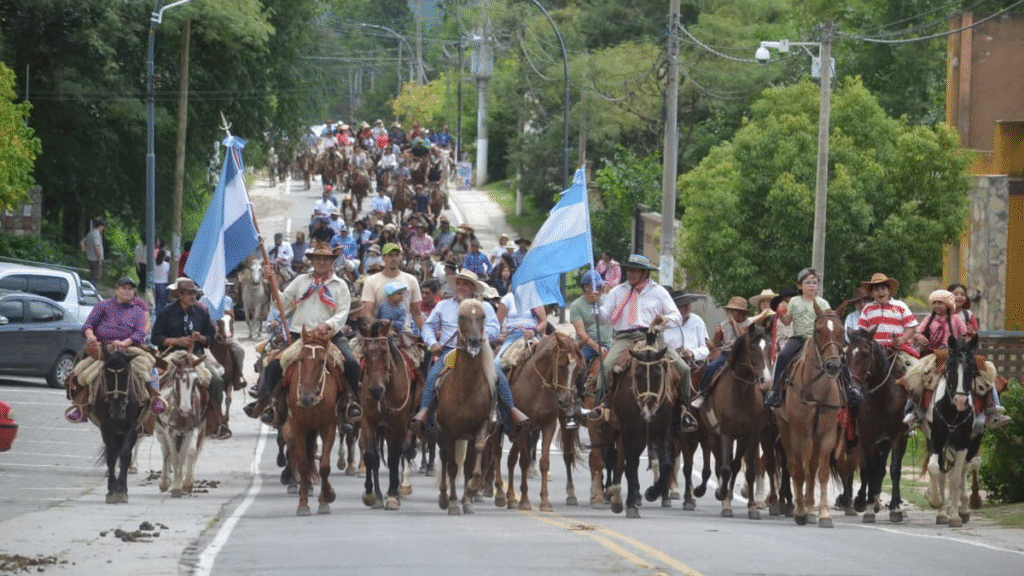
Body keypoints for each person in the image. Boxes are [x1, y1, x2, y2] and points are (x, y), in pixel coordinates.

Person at [243, 240, 362, 430]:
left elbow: (342, 313)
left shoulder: (340, 285)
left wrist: (327, 325)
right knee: (273, 364)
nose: (321, 262)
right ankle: (269, 403)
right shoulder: (300, 281)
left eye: (326, 259)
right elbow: (284, 304)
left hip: (329, 337)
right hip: (300, 336)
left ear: (331, 261)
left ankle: (350, 403)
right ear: (312, 260)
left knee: (352, 364)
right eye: (318, 258)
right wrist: (272, 283)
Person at [410, 269, 531, 436]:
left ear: (473, 288)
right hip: (452, 351)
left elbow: (494, 327)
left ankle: (509, 416)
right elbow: (428, 327)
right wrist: (433, 344)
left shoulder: (485, 307)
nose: (460, 286)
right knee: (433, 376)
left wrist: (480, 336)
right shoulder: (443, 305)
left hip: (479, 352)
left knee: (498, 377)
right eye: (458, 283)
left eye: (465, 284)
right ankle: (425, 417)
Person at [588, 255, 696, 431]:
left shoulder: (659, 292)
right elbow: (604, 320)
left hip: (652, 337)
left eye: (635, 270)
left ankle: (684, 411)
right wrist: (595, 306)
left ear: (645, 273)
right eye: (629, 269)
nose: (630, 273)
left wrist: (664, 318)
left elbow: (676, 316)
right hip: (625, 338)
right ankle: (602, 407)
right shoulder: (617, 291)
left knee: (684, 369)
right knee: (606, 367)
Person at [65, 277, 159, 423]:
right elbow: (88, 325)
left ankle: (154, 399)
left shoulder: (138, 311)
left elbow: (140, 333)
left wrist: (124, 343)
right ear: (116, 290)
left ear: (134, 292)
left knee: (150, 366)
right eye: (124, 288)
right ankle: (80, 406)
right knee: (82, 371)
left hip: (129, 349)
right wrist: (91, 337)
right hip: (103, 349)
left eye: (130, 289)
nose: (127, 291)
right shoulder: (102, 306)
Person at [765, 268, 863, 408]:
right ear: (800, 286)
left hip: (819, 340)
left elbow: (830, 323)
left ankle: (849, 388)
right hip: (799, 338)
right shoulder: (794, 301)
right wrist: (781, 313)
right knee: (783, 356)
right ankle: (775, 391)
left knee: (841, 357)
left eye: (815, 283)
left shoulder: (823, 303)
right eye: (808, 282)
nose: (812, 285)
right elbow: (787, 321)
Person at [151, 277, 232, 439]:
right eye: (188, 293)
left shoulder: (201, 311)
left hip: (196, 355)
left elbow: (211, 335)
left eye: (194, 293)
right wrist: (175, 340)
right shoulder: (166, 313)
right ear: (179, 295)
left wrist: (201, 338)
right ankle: (149, 417)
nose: (193, 296)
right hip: (171, 354)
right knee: (152, 377)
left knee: (216, 380)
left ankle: (218, 421)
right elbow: (155, 338)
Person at [691, 296, 770, 409]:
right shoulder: (724, 325)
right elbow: (717, 345)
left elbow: (744, 338)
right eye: (733, 311)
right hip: (727, 354)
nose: (735, 314)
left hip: (744, 354)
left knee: (761, 370)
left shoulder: (749, 324)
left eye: (738, 312)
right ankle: (702, 393)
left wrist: (736, 326)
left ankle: (766, 396)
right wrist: (716, 336)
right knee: (711, 367)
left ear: (743, 313)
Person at [360, 243, 425, 337]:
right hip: (378, 334)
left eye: (397, 255)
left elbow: (417, 314)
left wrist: (429, 337)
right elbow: (367, 314)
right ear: (383, 258)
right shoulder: (371, 281)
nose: (393, 258)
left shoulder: (411, 280)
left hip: (404, 332)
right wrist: (382, 328)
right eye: (390, 255)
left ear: (400, 257)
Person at [855, 273, 919, 358]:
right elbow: (861, 330)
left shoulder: (900, 305)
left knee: (913, 366)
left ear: (889, 291)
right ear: (872, 294)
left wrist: (902, 340)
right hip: (875, 348)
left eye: (883, 288)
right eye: (876, 290)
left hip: (898, 347)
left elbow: (911, 326)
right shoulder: (867, 308)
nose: (880, 292)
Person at [663, 291, 710, 368]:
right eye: (682, 306)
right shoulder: (666, 323)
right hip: (671, 362)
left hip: (695, 362)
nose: (686, 308)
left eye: (687, 304)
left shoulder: (697, 321)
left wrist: (693, 353)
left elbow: (705, 349)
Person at [80, 218, 105, 284]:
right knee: (96, 277)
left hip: (90, 258)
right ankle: (92, 291)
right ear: (100, 226)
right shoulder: (96, 234)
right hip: (95, 259)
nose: (103, 228)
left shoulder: (90, 233)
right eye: (103, 226)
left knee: (93, 275)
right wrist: (99, 259)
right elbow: (96, 246)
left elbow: (82, 242)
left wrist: (84, 249)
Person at [153, 248, 171, 315]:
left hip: (154, 284)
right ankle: (160, 317)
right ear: (164, 256)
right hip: (163, 284)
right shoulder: (167, 264)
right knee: (162, 303)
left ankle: (155, 315)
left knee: (155, 302)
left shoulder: (153, 263)